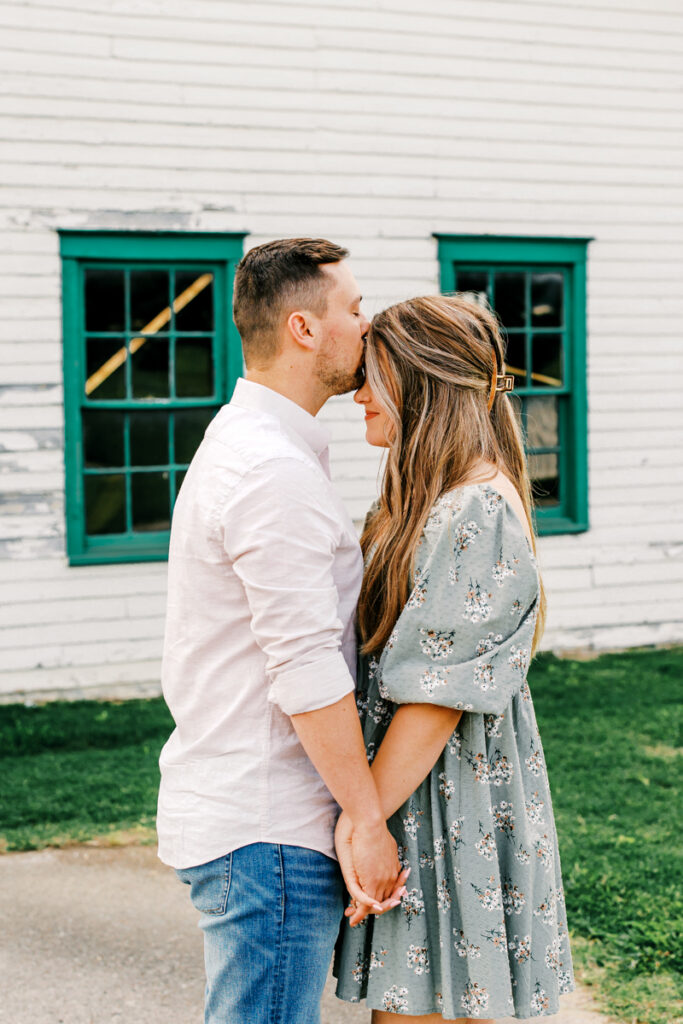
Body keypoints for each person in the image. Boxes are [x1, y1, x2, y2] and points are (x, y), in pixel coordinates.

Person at [156, 238, 406, 1024]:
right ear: (304, 329)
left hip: (245, 815)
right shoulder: (270, 469)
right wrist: (366, 820)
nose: (367, 327)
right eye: (355, 309)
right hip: (268, 825)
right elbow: (303, 667)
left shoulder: (257, 446)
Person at [333, 294, 575, 1021]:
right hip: (415, 789)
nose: (357, 396)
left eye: (371, 377)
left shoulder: (475, 506)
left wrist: (361, 818)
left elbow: (436, 695)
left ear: (419, 383)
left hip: (445, 795)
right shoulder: (424, 494)